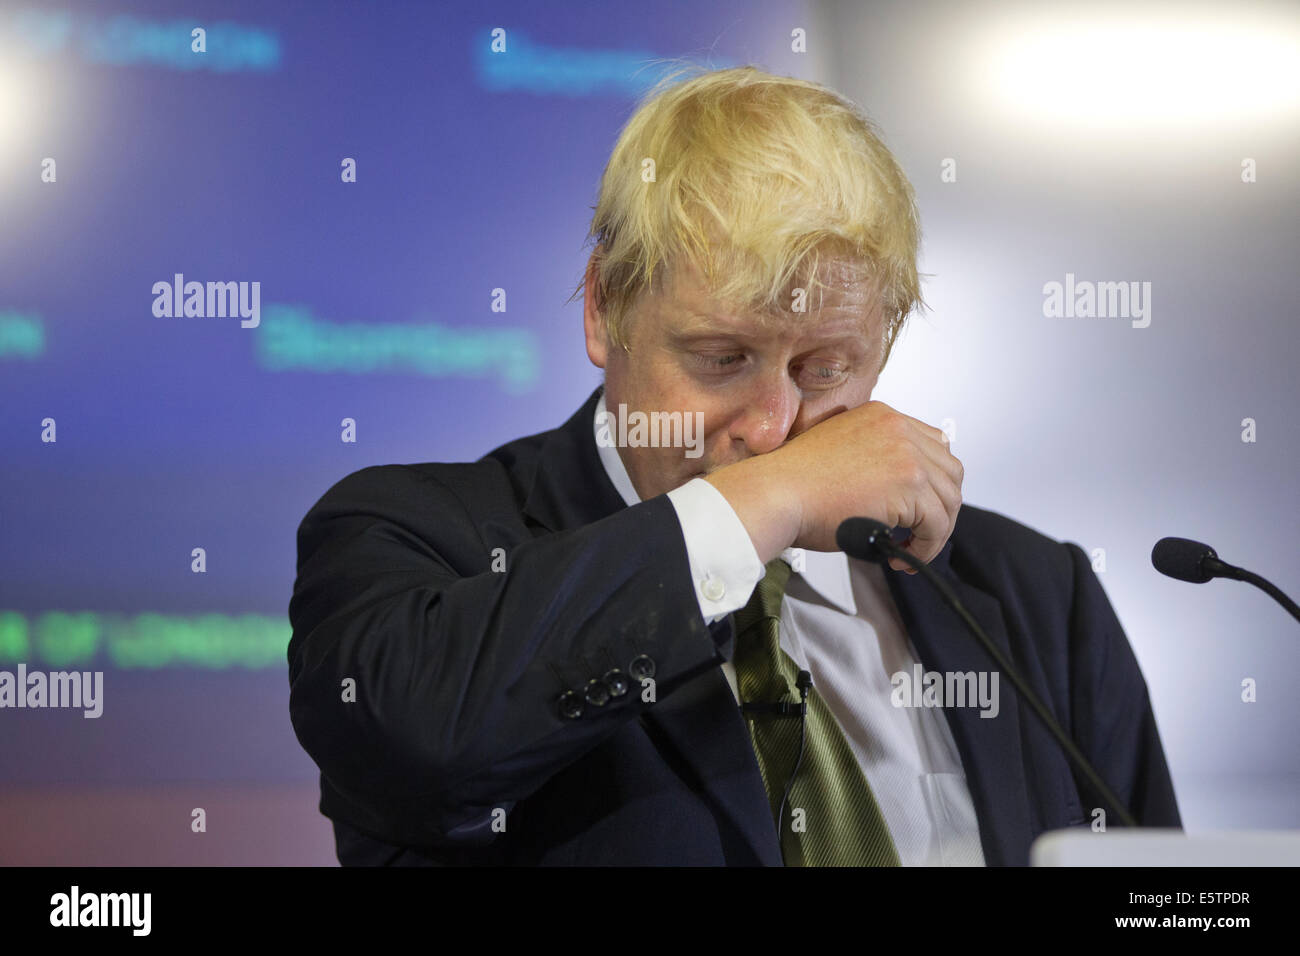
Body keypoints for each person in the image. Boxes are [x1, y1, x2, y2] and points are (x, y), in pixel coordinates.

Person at [287, 66, 1180, 866]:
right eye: (722, 358)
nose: (772, 426)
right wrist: (770, 501)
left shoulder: (1035, 597)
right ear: (605, 308)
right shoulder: (410, 537)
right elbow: (422, 751)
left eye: (824, 368)